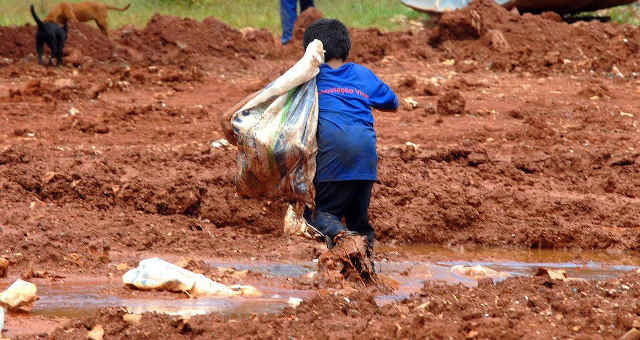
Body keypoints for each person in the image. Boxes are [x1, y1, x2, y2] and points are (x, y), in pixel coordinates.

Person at [301, 19, 398, 256]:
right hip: (365, 163)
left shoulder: (309, 77)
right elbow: (391, 102)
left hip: (332, 160)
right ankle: (365, 271)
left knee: (319, 216)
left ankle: (344, 240)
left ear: (312, 52)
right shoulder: (362, 74)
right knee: (359, 221)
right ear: (346, 48)